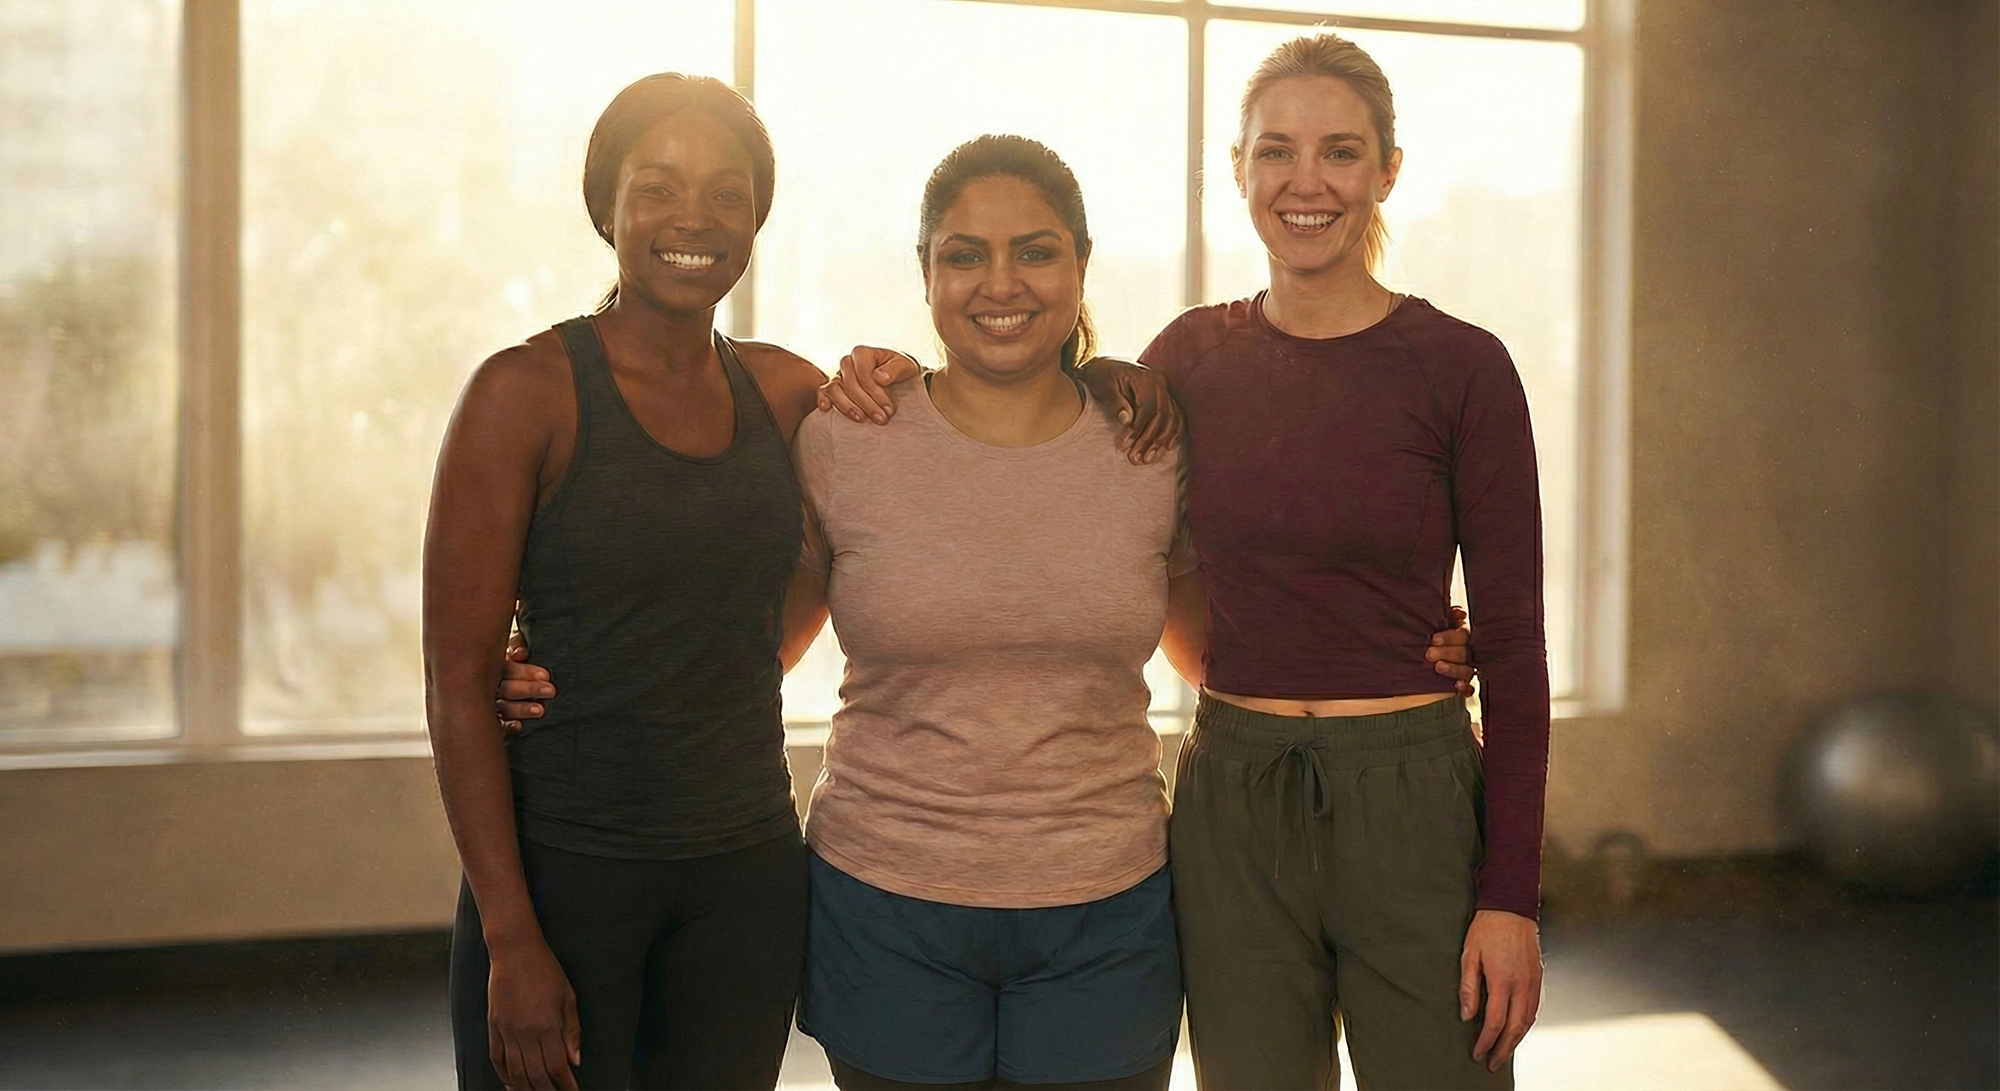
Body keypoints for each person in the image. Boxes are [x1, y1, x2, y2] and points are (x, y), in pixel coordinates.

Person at [824, 32, 1548, 1091]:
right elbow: (1052, 397)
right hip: (1230, 794)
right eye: (1275, 152)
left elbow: (1516, 645)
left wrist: (1511, 896)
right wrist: (879, 363)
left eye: (1339, 152)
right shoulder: (1182, 362)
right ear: (1238, 170)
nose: (1305, 183)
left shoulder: (1461, 367)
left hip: (1411, 789)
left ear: (1386, 169)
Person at [422, 73, 831, 1091]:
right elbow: (457, 682)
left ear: (754, 222)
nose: (693, 216)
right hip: (566, 876)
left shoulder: (785, 391)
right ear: (606, 206)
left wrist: (705, 665)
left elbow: (843, 549)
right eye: (657, 186)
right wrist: (511, 938)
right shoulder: (521, 394)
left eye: (727, 194)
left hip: (743, 876)